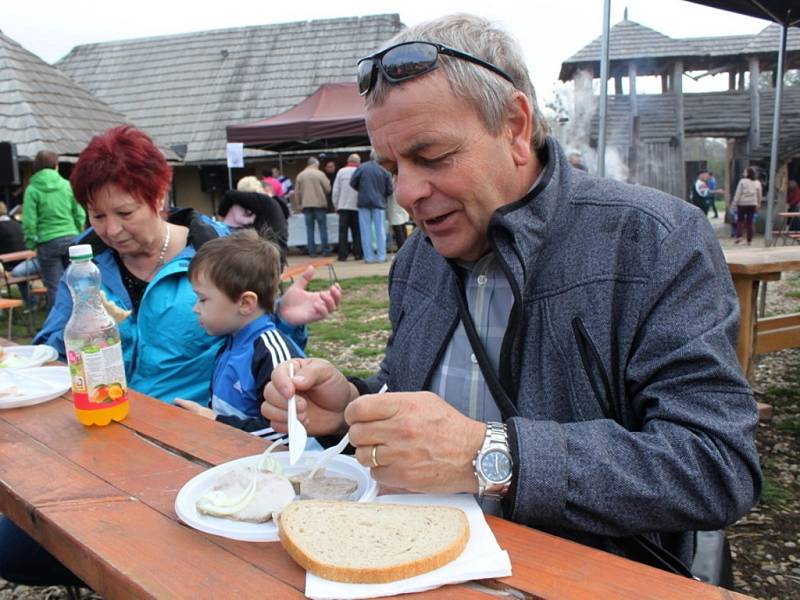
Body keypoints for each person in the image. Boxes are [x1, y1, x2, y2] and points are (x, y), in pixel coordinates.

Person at [262, 14, 760, 572]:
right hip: (413, 567)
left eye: (431, 156)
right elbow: (428, 407)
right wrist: (350, 406)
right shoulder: (416, 261)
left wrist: (486, 456)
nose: (406, 193)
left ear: (516, 127)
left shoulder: (653, 241)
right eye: (390, 166)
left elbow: (716, 467)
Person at [0, 125, 342, 591]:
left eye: (124, 212)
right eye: (97, 215)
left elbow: (265, 344)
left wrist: (288, 315)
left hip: (190, 446)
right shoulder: (89, 264)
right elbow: (53, 344)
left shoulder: (216, 252)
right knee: (12, 547)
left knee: (153, 556)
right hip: (102, 436)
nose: (111, 229)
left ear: (159, 195)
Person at [175, 230, 313, 446]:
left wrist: (215, 423)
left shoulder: (270, 354)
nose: (195, 308)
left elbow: (287, 434)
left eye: (203, 299)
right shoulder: (231, 341)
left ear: (245, 303)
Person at [21, 150, 86, 307]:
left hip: (47, 241)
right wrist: (78, 233)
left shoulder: (32, 189)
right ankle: (82, 316)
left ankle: (59, 325)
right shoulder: (66, 186)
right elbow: (79, 213)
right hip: (71, 237)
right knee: (77, 282)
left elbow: (29, 221)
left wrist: (31, 242)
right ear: (56, 166)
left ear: (35, 167)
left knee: (54, 286)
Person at [218, 189, 288, 266]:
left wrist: (222, 214)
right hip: (276, 255)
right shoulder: (271, 206)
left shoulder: (262, 201)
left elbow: (230, 194)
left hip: (268, 256)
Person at [350, 153, 393, 263]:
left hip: (363, 202)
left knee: (365, 231)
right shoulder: (384, 170)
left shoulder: (362, 167)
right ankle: (381, 256)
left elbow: (352, 182)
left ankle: (368, 257)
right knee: (380, 231)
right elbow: (390, 189)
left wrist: (361, 190)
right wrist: (382, 195)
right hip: (379, 203)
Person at [295, 157, 331, 256]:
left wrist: (299, 205)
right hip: (319, 204)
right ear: (315, 164)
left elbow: (297, 193)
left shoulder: (300, 175)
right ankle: (325, 250)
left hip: (306, 205)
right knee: (322, 228)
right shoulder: (320, 174)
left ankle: (312, 252)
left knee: (309, 229)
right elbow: (328, 189)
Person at [331, 153, 364, 261]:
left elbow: (335, 190)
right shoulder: (360, 171)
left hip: (343, 206)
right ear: (358, 162)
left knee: (343, 232)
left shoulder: (341, 172)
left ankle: (342, 255)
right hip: (357, 207)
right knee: (357, 232)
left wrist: (336, 205)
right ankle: (358, 254)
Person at [732, 167, 763, 245]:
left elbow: (738, 193)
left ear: (748, 173)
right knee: (750, 222)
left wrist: (734, 203)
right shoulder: (757, 182)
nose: (743, 173)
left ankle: (739, 236)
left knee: (740, 220)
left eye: (745, 172)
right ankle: (749, 239)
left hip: (742, 204)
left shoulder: (742, 181)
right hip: (753, 204)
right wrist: (758, 203)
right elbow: (759, 194)